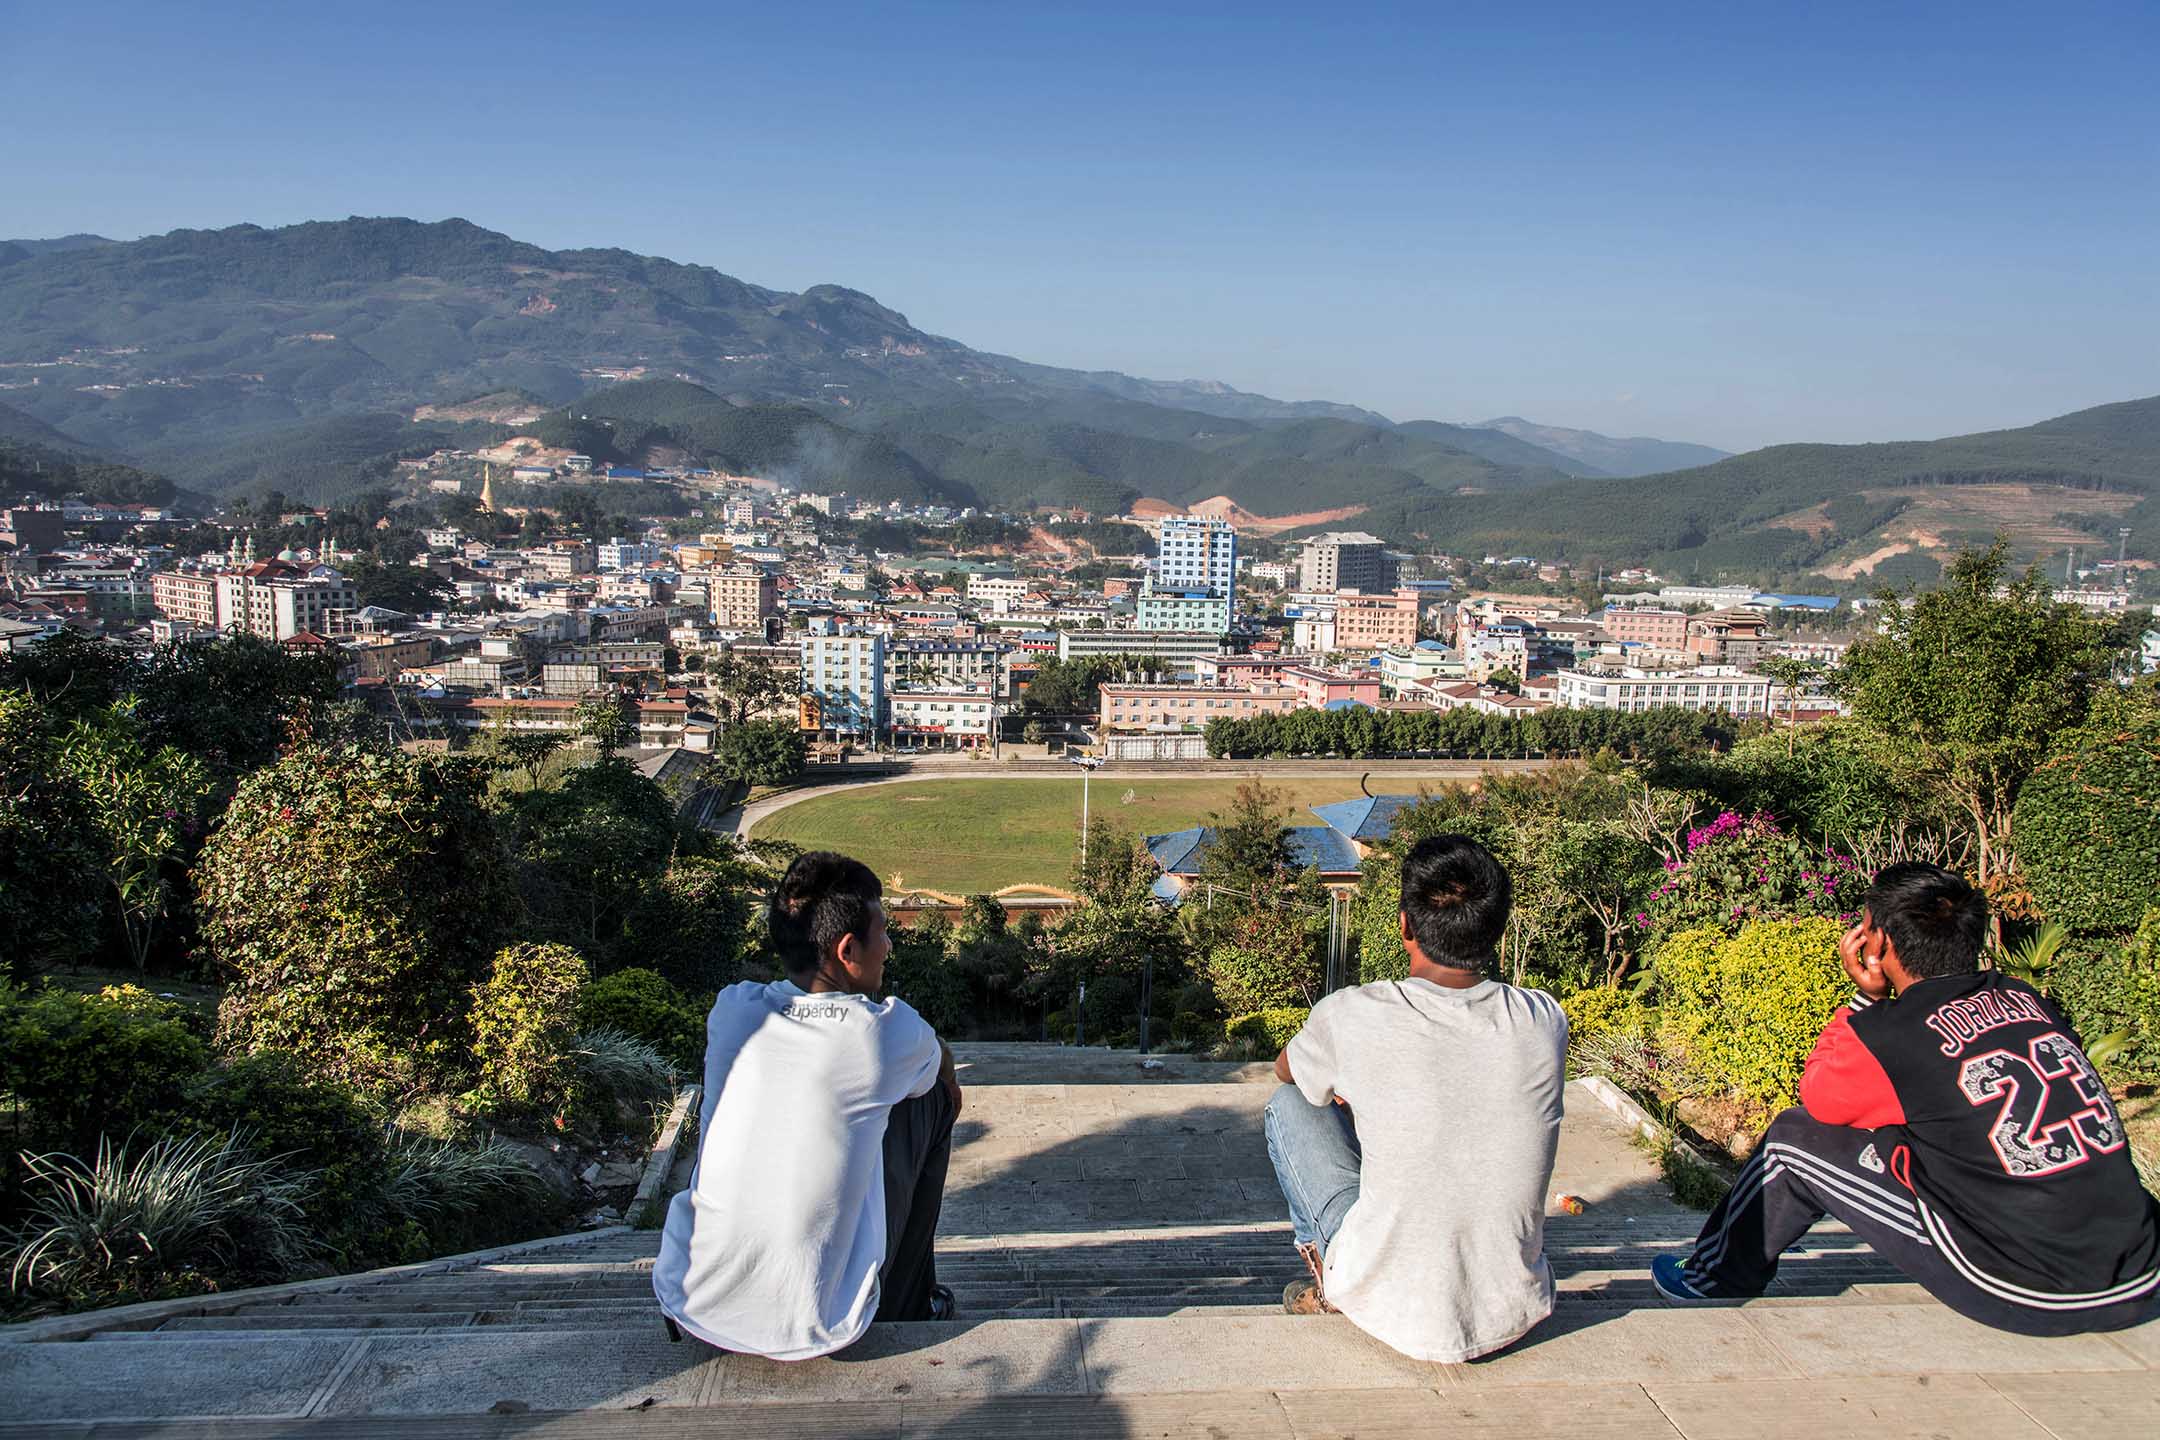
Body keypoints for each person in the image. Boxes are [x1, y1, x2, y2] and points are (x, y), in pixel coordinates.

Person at [1654, 862, 2159, 1333]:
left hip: (2031, 1285)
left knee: (1791, 1140)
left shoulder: (1895, 1033)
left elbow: (1821, 1100)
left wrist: (1864, 1000)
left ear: (1880, 945)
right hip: (2141, 1265)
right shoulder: (2027, 999)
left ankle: (1710, 1276)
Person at [1266, 833, 1569, 1363]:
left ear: (1404, 924)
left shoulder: (1352, 1014)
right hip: (1513, 1306)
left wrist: (1354, 1084)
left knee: (1288, 1107)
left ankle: (1333, 1283)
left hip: (1393, 1309)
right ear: (1496, 930)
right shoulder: (1543, 1019)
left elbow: (1286, 1071)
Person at [651, 851, 964, 1360]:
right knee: (930, 1097)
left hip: (692, 1302)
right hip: (817, 1324)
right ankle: (909, 1302)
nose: (887, 946)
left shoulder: (732, 1011)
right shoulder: (881, 1035)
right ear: (847, 950)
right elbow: (940, 1065)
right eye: (882, 932)